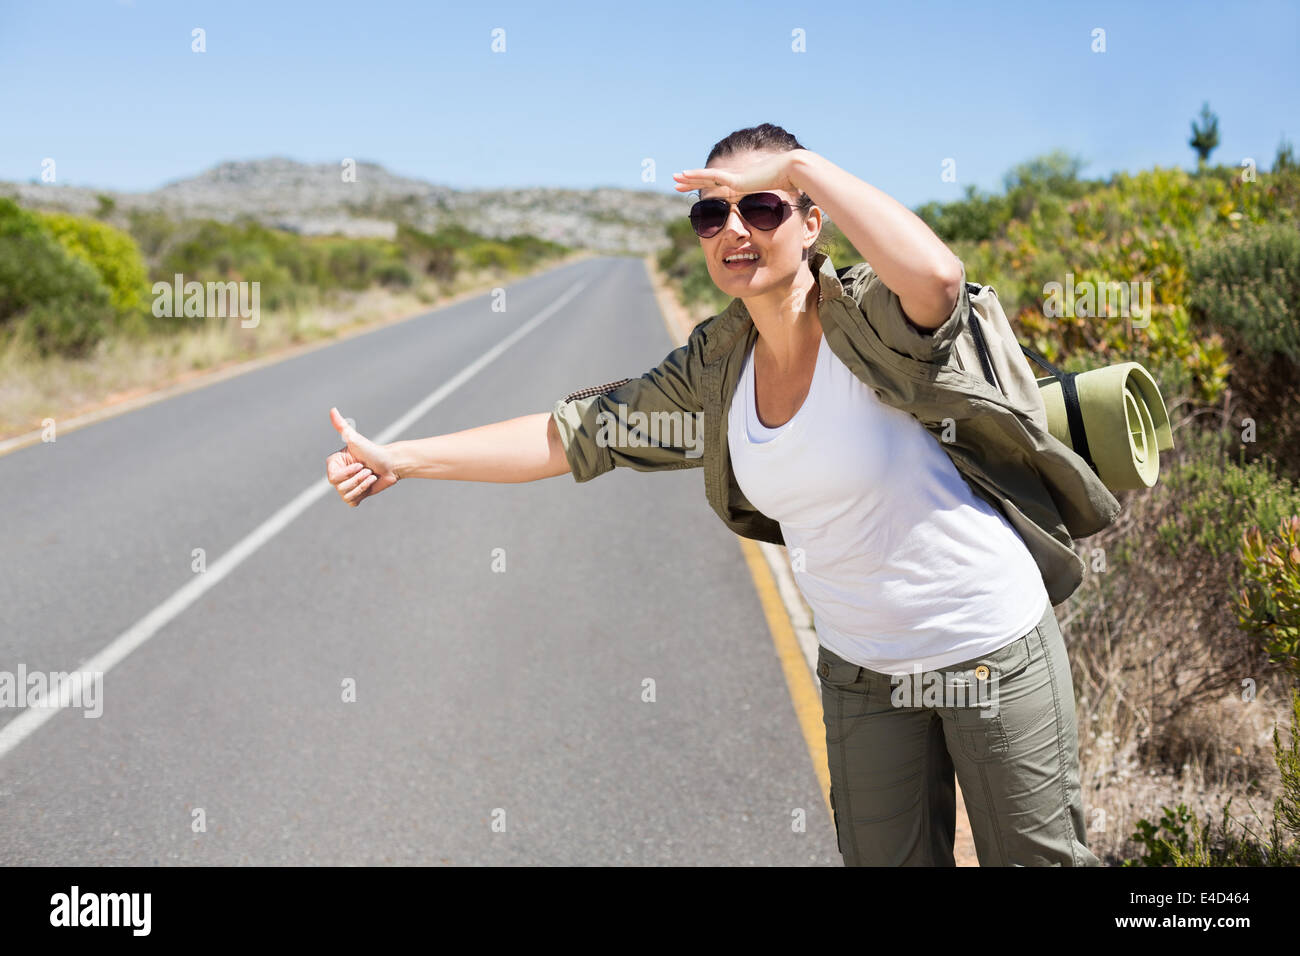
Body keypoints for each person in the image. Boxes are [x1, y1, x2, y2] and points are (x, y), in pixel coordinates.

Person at [324, 123, 1103, 867]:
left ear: (809, 221)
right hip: (862, 671)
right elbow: (572, 436)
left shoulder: (870, 316)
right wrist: (401, 458)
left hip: (984, 648)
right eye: (711, 214)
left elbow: (940, 279)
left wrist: (795, 165)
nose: (736, 231)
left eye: (761, 207)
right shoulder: (716, 367)